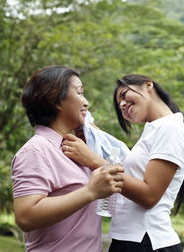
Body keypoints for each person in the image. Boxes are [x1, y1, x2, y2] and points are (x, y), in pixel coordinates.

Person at [62, 74, 184, 252]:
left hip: (148, 241)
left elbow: (149, 196)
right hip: (131, 240)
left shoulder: (170, 128)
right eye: (120, 106)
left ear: (148, 85)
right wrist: (90, 131)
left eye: (124, 95)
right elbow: (118, 154)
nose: (122, 105)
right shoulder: (155, 129)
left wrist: (94, 161)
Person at [11, 65, 124, 251]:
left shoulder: (77, 149)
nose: (86, 102)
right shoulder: (36, 150)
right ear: (56, 100)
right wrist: (89, 192)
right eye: (79, 93)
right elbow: (25, 216)